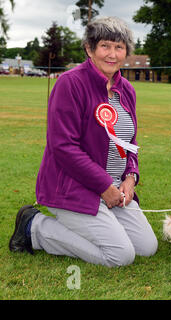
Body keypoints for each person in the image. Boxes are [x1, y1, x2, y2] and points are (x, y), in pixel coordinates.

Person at [9, 17, 158, 267]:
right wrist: (103, 187)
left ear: (126, 52)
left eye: (119, 47)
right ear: (89, 49)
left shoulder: (127, 90)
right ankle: (35, 227)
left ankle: (98, 223)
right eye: (105, 46)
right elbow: (63, 146)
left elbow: (129, 142)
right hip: (73, 188)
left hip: (115, 190)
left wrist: (130, 177)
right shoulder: (70, 83)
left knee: (147, 247)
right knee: (120, 256)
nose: (112, 54)